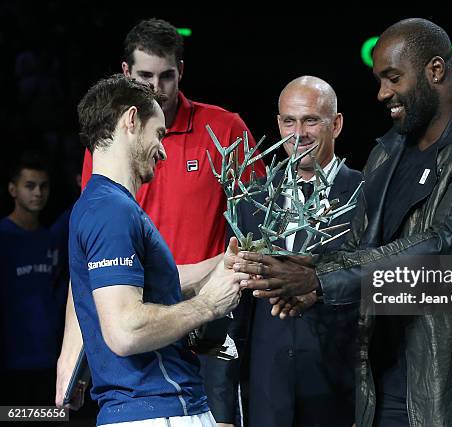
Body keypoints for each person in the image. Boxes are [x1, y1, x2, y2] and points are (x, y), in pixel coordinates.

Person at [233, 18, 452, 426]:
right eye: (379, 80)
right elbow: (359, 250)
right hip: (387, 382)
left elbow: (446, 248)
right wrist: (308, 275)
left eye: (392, 78)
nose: (382, 93)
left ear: (435, 71)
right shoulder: (387, 153)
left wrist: (321, 279)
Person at [56, 18, 266, 417]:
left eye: (167, 75)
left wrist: (219, 287)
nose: (157, 87)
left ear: (181, 71)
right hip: (148, 328)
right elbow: (91, 262)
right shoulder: (107, 185)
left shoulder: (225, 129)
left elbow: (259, 227)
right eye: (145, 76)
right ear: (126, 78)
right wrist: (72, 352)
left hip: (204, 329)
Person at [221, 76, 362, 427]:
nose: (298, 133)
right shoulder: (249, 202)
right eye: (289, 121)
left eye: (311, 120)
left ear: (337, 124)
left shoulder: (367, 195)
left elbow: (384, 281)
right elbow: (231, 314)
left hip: (345, 395)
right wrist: (222, 408)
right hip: (269, 397)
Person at [0, 150, 68, 406]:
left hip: (51, 363)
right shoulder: (3, 237)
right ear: (12, 189)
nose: (38, 192)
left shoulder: (51, 239)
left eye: (43, 186)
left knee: (53, 417)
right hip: (11, 367)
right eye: (30, 186)